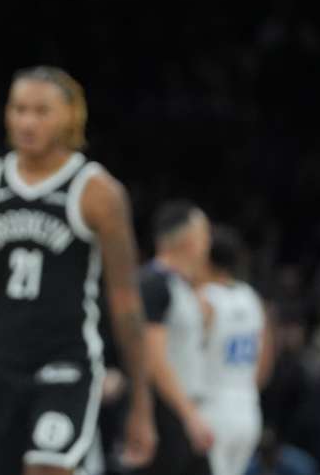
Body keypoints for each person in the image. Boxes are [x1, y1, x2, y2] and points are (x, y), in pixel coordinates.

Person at [0, 66, 155, 475]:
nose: (27, 121)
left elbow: (126, 301)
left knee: (48, 468)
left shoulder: (99, 192)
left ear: (70, 116)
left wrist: (141, 401)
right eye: (19, 109)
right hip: (4, 364)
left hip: (69, 361)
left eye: (41, 111)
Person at [137, 201, 214, 475]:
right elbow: (155, 359)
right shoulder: (154, 283)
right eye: (204, 234)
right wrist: (189, 415)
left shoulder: (181, 286)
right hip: (164, 412)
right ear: (187, 239)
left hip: (183, 408)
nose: (208, 243)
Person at [200, 227, 270, 475]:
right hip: (248, 408)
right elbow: (265, 362)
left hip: (213, 407)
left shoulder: (205, 299)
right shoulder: (252, 298)